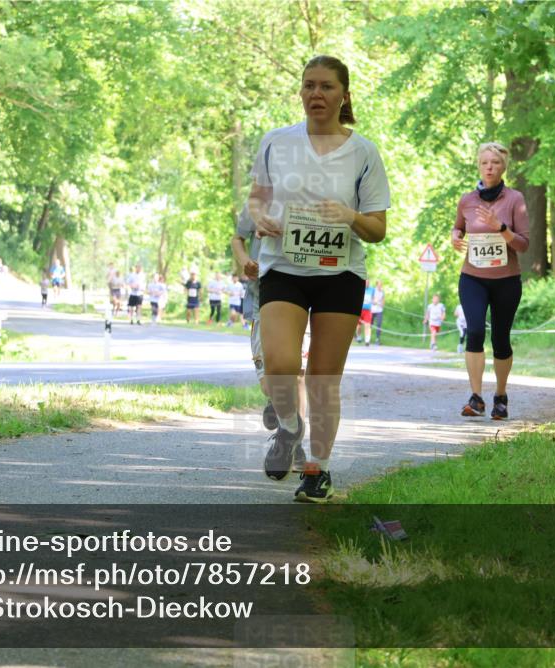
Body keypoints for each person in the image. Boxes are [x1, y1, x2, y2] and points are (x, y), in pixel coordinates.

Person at [249, 55, 390, 502]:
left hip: (340, 273)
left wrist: (350, 216)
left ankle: (317, 472)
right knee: (279, 363)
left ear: (344, 95)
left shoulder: (363, 152)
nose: (316, 94)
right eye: (309, 85)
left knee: (323, 380)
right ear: (300, 91)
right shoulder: (276, 142)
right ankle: (290, 427)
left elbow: (378, 229)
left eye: (327, 86)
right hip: (283, 267)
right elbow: (256, 199)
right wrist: (261, 218)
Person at [451, 141, 529, 420]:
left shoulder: (515, 199)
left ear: (503, 167)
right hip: (473, 277)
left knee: (500, 338)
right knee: (474, 332)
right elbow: (458, 227)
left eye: (495, 163)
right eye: (484, 163)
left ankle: (500, 396)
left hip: (506, 280)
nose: (489, 168)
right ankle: (476, 397)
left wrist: (501, 228)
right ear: (478, 166)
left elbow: (523, 245)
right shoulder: (467, 200)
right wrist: (455, 237)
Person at [233, 205, 307, 436]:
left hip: (303, 297)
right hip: (262, 299)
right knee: (269, 384)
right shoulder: (259, 201)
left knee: (298, 375)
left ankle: (293, 441)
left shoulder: (312, 198)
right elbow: (237, 238)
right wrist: (245, 261)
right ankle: (280, 407)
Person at [357, 280, 374, 346]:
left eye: (368, 283)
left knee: (367, 325)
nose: (367, 284)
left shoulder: (372, 289)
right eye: (366, 282)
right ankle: (359, 336)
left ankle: (367, 340)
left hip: (368, 310)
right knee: (359, 326)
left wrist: (374, 301)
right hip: (360, 310)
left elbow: (374, 298)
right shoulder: (360, 288)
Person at [371, 280, 385, 345]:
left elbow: (383, 300)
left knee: (379, 324)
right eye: (379, 284)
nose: (380, 286)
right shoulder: (373, 290)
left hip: (379, 310)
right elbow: (371, 298)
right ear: (376, 285)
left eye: (381, 284)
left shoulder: (382, 291)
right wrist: (373, 302)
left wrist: (382, 304)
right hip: (372, 310)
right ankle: (368, 338)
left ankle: (377, 339)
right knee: (370, 324)